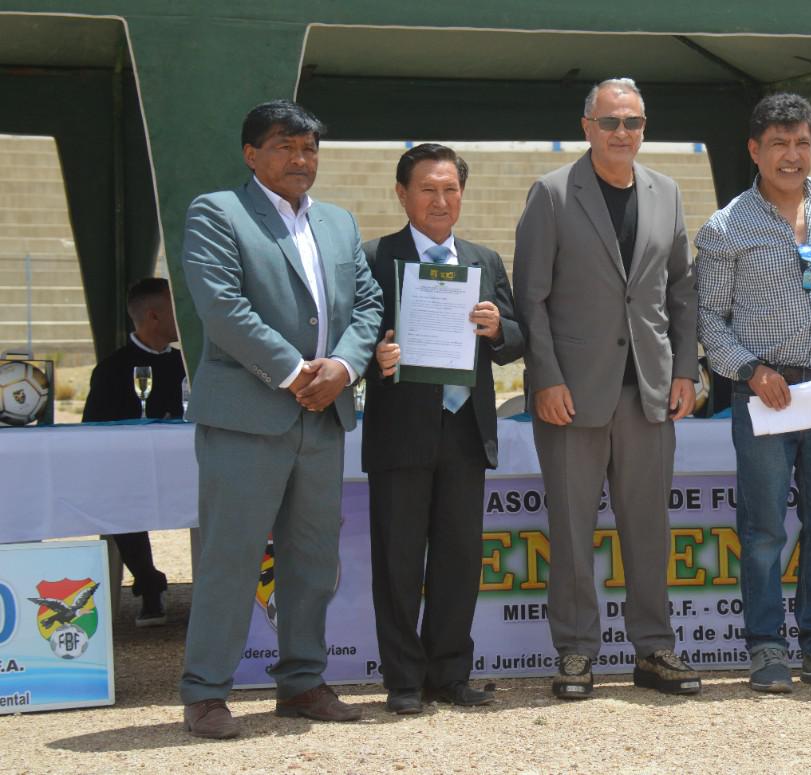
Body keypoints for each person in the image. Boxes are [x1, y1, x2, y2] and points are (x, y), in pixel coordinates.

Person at [178, 100, 382, 738]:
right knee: (230, 558)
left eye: (310, 149)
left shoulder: (341, 224)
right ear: (250, 154)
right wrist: (299, 374)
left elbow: (369, 307)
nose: (300, 160)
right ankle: (206, 692)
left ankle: (300, 683)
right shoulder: (218, 213)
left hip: (323, 419)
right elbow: (222, 308)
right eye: (284, 147)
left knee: (313, 562)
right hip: (249, 417)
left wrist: (343, 371)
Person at [513, 77, 701, 700]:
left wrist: (684, 370)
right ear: (587, 125)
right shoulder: (552, 193)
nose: (624, 133)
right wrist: (545, 378)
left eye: (634, 122)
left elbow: (680, 290)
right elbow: (531, 298)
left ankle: (655, 649)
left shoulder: (667, 192)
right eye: (612, 121)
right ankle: (575, 652)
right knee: (571, 529)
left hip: (649, 392)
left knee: (648, 528)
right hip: (572, 395)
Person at [696, 92, 811, 693]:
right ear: (754, 149)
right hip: (765, 395)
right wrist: (749, 370)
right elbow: (708, 320)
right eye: (778, 144)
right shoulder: (725, 227)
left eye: (801, 143)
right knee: (764, 529)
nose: (791, 156)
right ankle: (767, 647)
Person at [362, 143, 524, 714]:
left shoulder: (484, 259)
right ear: (402, 194)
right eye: (427, 189)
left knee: (459, 562)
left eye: (450, 188)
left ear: (463, 194)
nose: (440, 199)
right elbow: (352, 338)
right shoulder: (374, 257)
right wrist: (375, 358)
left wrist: (497, 326)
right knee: (399, 562)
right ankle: (404, 681)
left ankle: (450, 674)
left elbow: (519, 339)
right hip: (400, 431)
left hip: (465, 431)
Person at [82, 277, 183, 627]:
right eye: (175, 307)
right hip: (128, 470)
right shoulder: (112, 368)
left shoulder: (189, 364)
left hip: (187, 465)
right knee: (117, 497)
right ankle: (149, 583)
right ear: (153, 317)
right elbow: (92, 429)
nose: (184, 314)